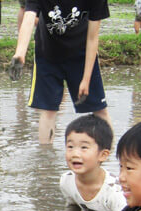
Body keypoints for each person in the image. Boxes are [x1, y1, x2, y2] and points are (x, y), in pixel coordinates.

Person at [11, 0, 111, 144]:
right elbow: (28, 18)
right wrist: (20, 53)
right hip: (47, 55)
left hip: (82, 55)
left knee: (100, 109)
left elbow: (92, 37)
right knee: (48, 110)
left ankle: (111, 157)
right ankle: (46, 161)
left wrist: (86, 78)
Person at [52, 114, 126, 211]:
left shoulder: (114, 190)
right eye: (70, 146)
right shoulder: (66, 180)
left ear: (103, 155)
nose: (75, 154)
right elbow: (72, 204)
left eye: (84, 148)